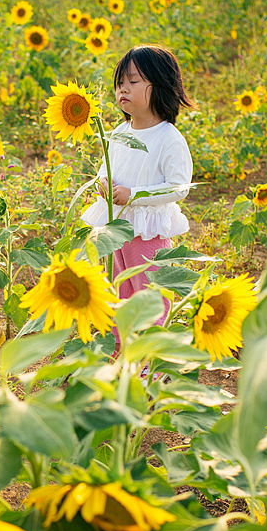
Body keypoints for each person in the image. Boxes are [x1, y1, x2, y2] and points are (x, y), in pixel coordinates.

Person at [81, 44, 194, 339]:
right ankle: (122, 349)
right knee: (119, 288)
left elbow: (178, 186)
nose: (123, 90)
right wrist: (103, 184)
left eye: (133, 81)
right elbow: (106, 167)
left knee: (150, 292)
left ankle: (150, 361)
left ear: (159, 86)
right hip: (116, 228)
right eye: (120, 83)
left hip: (147, 231)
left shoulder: (168, 137)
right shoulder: (119, 132)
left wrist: (135, 194)